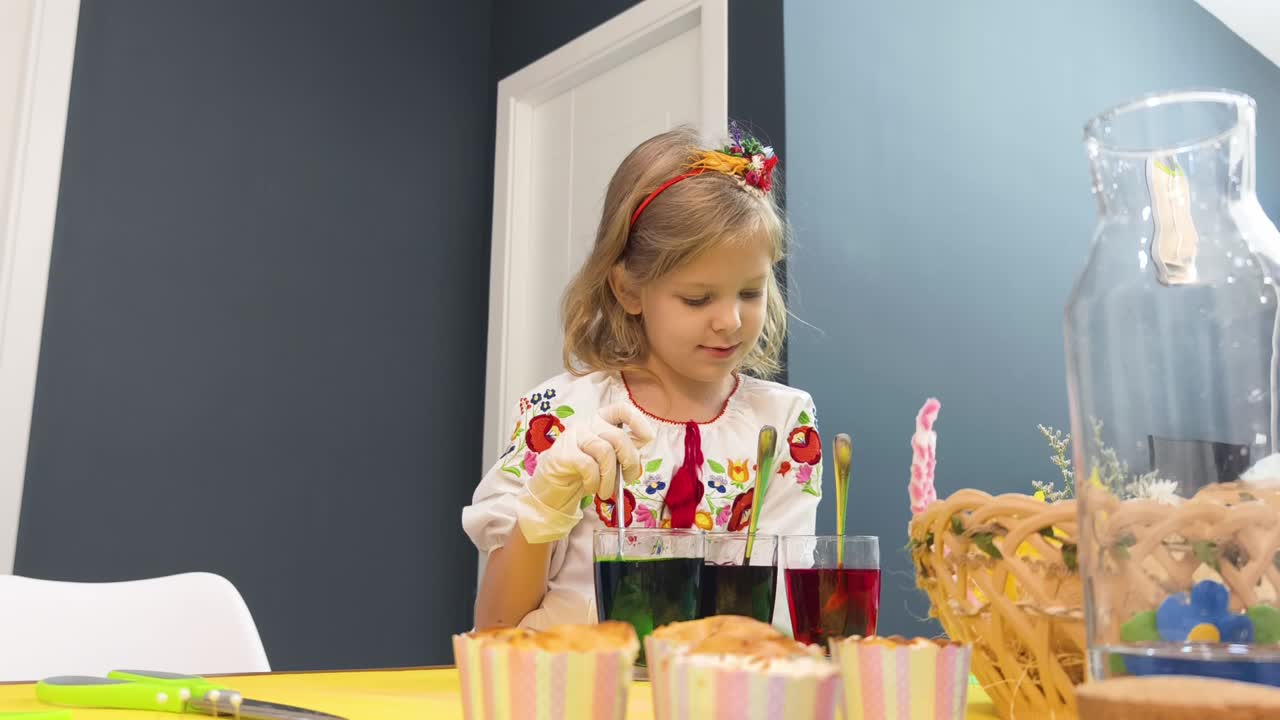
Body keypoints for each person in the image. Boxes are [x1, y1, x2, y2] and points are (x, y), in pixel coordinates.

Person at [463, 124, 822, 631]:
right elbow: (496, 627)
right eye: (697, 298)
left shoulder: (783, 424)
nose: (730, 321)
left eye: (750, 292)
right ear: (629, 290)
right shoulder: (561, 416)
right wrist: (542, 512)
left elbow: (780, 625)